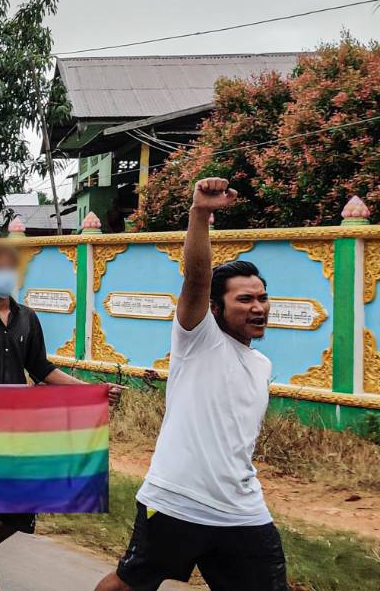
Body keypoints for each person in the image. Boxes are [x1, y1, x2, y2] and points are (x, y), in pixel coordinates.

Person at [96, 178, 287, 591]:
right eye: (245, 300)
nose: (258, 308)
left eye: (262, 298)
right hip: (177, 501)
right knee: (129, 584)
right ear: (216, 309)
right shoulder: (197, 340)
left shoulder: (262, 364)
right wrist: (200, 214)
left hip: (241, 509)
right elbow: (197, 279)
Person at [0, 241, 120, 591]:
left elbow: (41, 368)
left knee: (23, 510)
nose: (8, 274)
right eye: (0, 267)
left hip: (20, 428)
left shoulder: (28, 318)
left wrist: (88, 389)